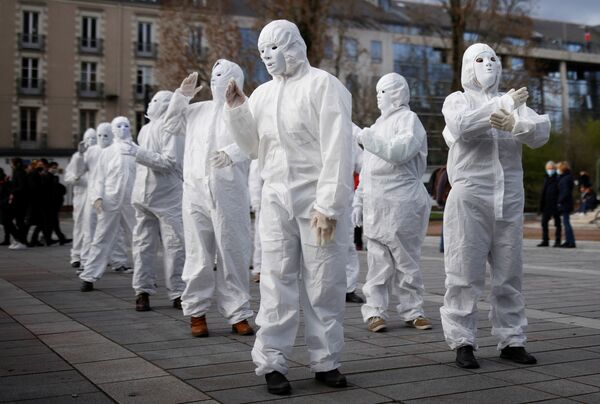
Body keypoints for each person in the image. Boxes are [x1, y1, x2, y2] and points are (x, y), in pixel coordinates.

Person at [225, 20, 353, 395]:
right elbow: (253, 148)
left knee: (324, 282)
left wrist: (329, 204)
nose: (267, 58)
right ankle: (271, 362)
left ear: (294, 46)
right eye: (262, 53)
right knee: (275, 281)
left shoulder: (324, 86)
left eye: (274, 50)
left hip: (316, 200)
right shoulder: (262, 95)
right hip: (276, 198)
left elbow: (337, 148)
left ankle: (326, 360)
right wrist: (237, 112)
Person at [439, 43, 550, 369]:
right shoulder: (457, 99)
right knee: (463, 271)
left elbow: (541, 131)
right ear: (467, 66)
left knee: (509, 273)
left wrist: (517, 124)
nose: (488, 64)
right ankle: (463, 342)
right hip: (470, 196)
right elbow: (460, 126)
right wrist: (501, 106)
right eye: (480, 59)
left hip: (508, 199)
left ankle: (512, 339)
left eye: (493, 59)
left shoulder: (515, 102)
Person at [164, 60, 254, 337]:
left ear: (237, 81)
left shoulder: (246, 110)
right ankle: (196, 312)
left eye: (225, 77)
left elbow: (255, 141)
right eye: (214, 77)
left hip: (230, 194)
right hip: (194, 192)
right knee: (197, 253)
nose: (217, 82)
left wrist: (232, 153)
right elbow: (170, 125)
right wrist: (181, 97)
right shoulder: (196, 111)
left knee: (233, 252)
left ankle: (237, 312)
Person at [352, 73, 432, 333]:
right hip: (377, 204)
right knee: (377, 263)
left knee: (406, 261)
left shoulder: (409, 121)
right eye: (377, 92)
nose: (379, 97)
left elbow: (398, 153)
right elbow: (368, 170)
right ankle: (374, 312)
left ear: (399, 93)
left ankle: (413, 310)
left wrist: (362, 136)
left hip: (403, 204)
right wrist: (358, 201)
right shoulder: (376, 126)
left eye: (384, 91)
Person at [120, 90, 186, 311]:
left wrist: (138, 153)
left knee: (175, 245)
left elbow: (169, 162)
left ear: (167, 105)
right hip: (143, 196)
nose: (150, 104)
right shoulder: (146, 129)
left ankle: (177, 292)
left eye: (156, 100)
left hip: (167, 196)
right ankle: (142, 291)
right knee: (142, 245)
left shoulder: (172, 129)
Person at [79, 117, 136, 291]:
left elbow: (143, 175)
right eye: (119, 126)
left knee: (139, 238)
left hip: (131, 200)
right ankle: (89, 276)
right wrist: (97, 196)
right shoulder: (108, 152)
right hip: (110, 200)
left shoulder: (136, 151)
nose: (123, 129)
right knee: (101, 237)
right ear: (113, 128)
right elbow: (99, 177)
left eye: (126, 125)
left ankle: (144, 278)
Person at [78, 123, 109, 272]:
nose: (102, 138)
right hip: (92, 196)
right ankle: (85, 262)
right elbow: (79, 171)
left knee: (109, 232)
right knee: (89, 230)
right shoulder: (91, 152)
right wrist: (80, 156)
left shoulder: (113, 151)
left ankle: (113, 260)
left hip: (109, 196)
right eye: (100, 135)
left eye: (106, 135)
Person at [64, 128, 97, 268]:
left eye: (94, 138)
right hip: (81, 197)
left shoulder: (99, 155)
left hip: (95, 196)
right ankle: (76, 255)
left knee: (97, 227)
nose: (92, 142)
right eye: (89, 139)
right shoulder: (77, 157)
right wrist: (77, 178)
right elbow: (69, 177)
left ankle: (95, 255)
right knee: (79, 226)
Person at [345, 128, 364, 304]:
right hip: (313, 197)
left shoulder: (349, 130)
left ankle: (348, 288)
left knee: (347, 245)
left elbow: (363, 164)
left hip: (344, 199)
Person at [6, 158, 29, 249]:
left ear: (17, 164)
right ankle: (20, 239)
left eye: (12, 163)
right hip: (18, 200)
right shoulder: (17, 172)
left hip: (19, 201)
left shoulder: (19, 173)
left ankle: (21, 240)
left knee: (12, 220)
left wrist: (12, 191)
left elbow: (21, 187)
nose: (11, 165)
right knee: (18, 221)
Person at [538, 160, 561, 247]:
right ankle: (545, 240)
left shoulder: (558, 178)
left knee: (557, 224)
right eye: (548, 168)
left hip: (555, 204)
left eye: (551, 168)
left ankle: (557, 241)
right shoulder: (546, 178)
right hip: (546, 205)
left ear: (554, 169)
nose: (550, 170)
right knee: (544, 223)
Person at [248, 159, 263, 284]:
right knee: (260, 236)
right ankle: (259, 269)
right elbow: (255, 176)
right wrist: (256, 200)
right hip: (264, 200)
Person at [557, 161, 576, 248]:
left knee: (566, 222)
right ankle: (568, 241)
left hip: (565, 203)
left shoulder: (565, 178)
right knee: (565, 222)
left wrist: (559, 201)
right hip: (567, 203)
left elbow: (565, 192)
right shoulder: (567, 177)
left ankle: (571, 242)